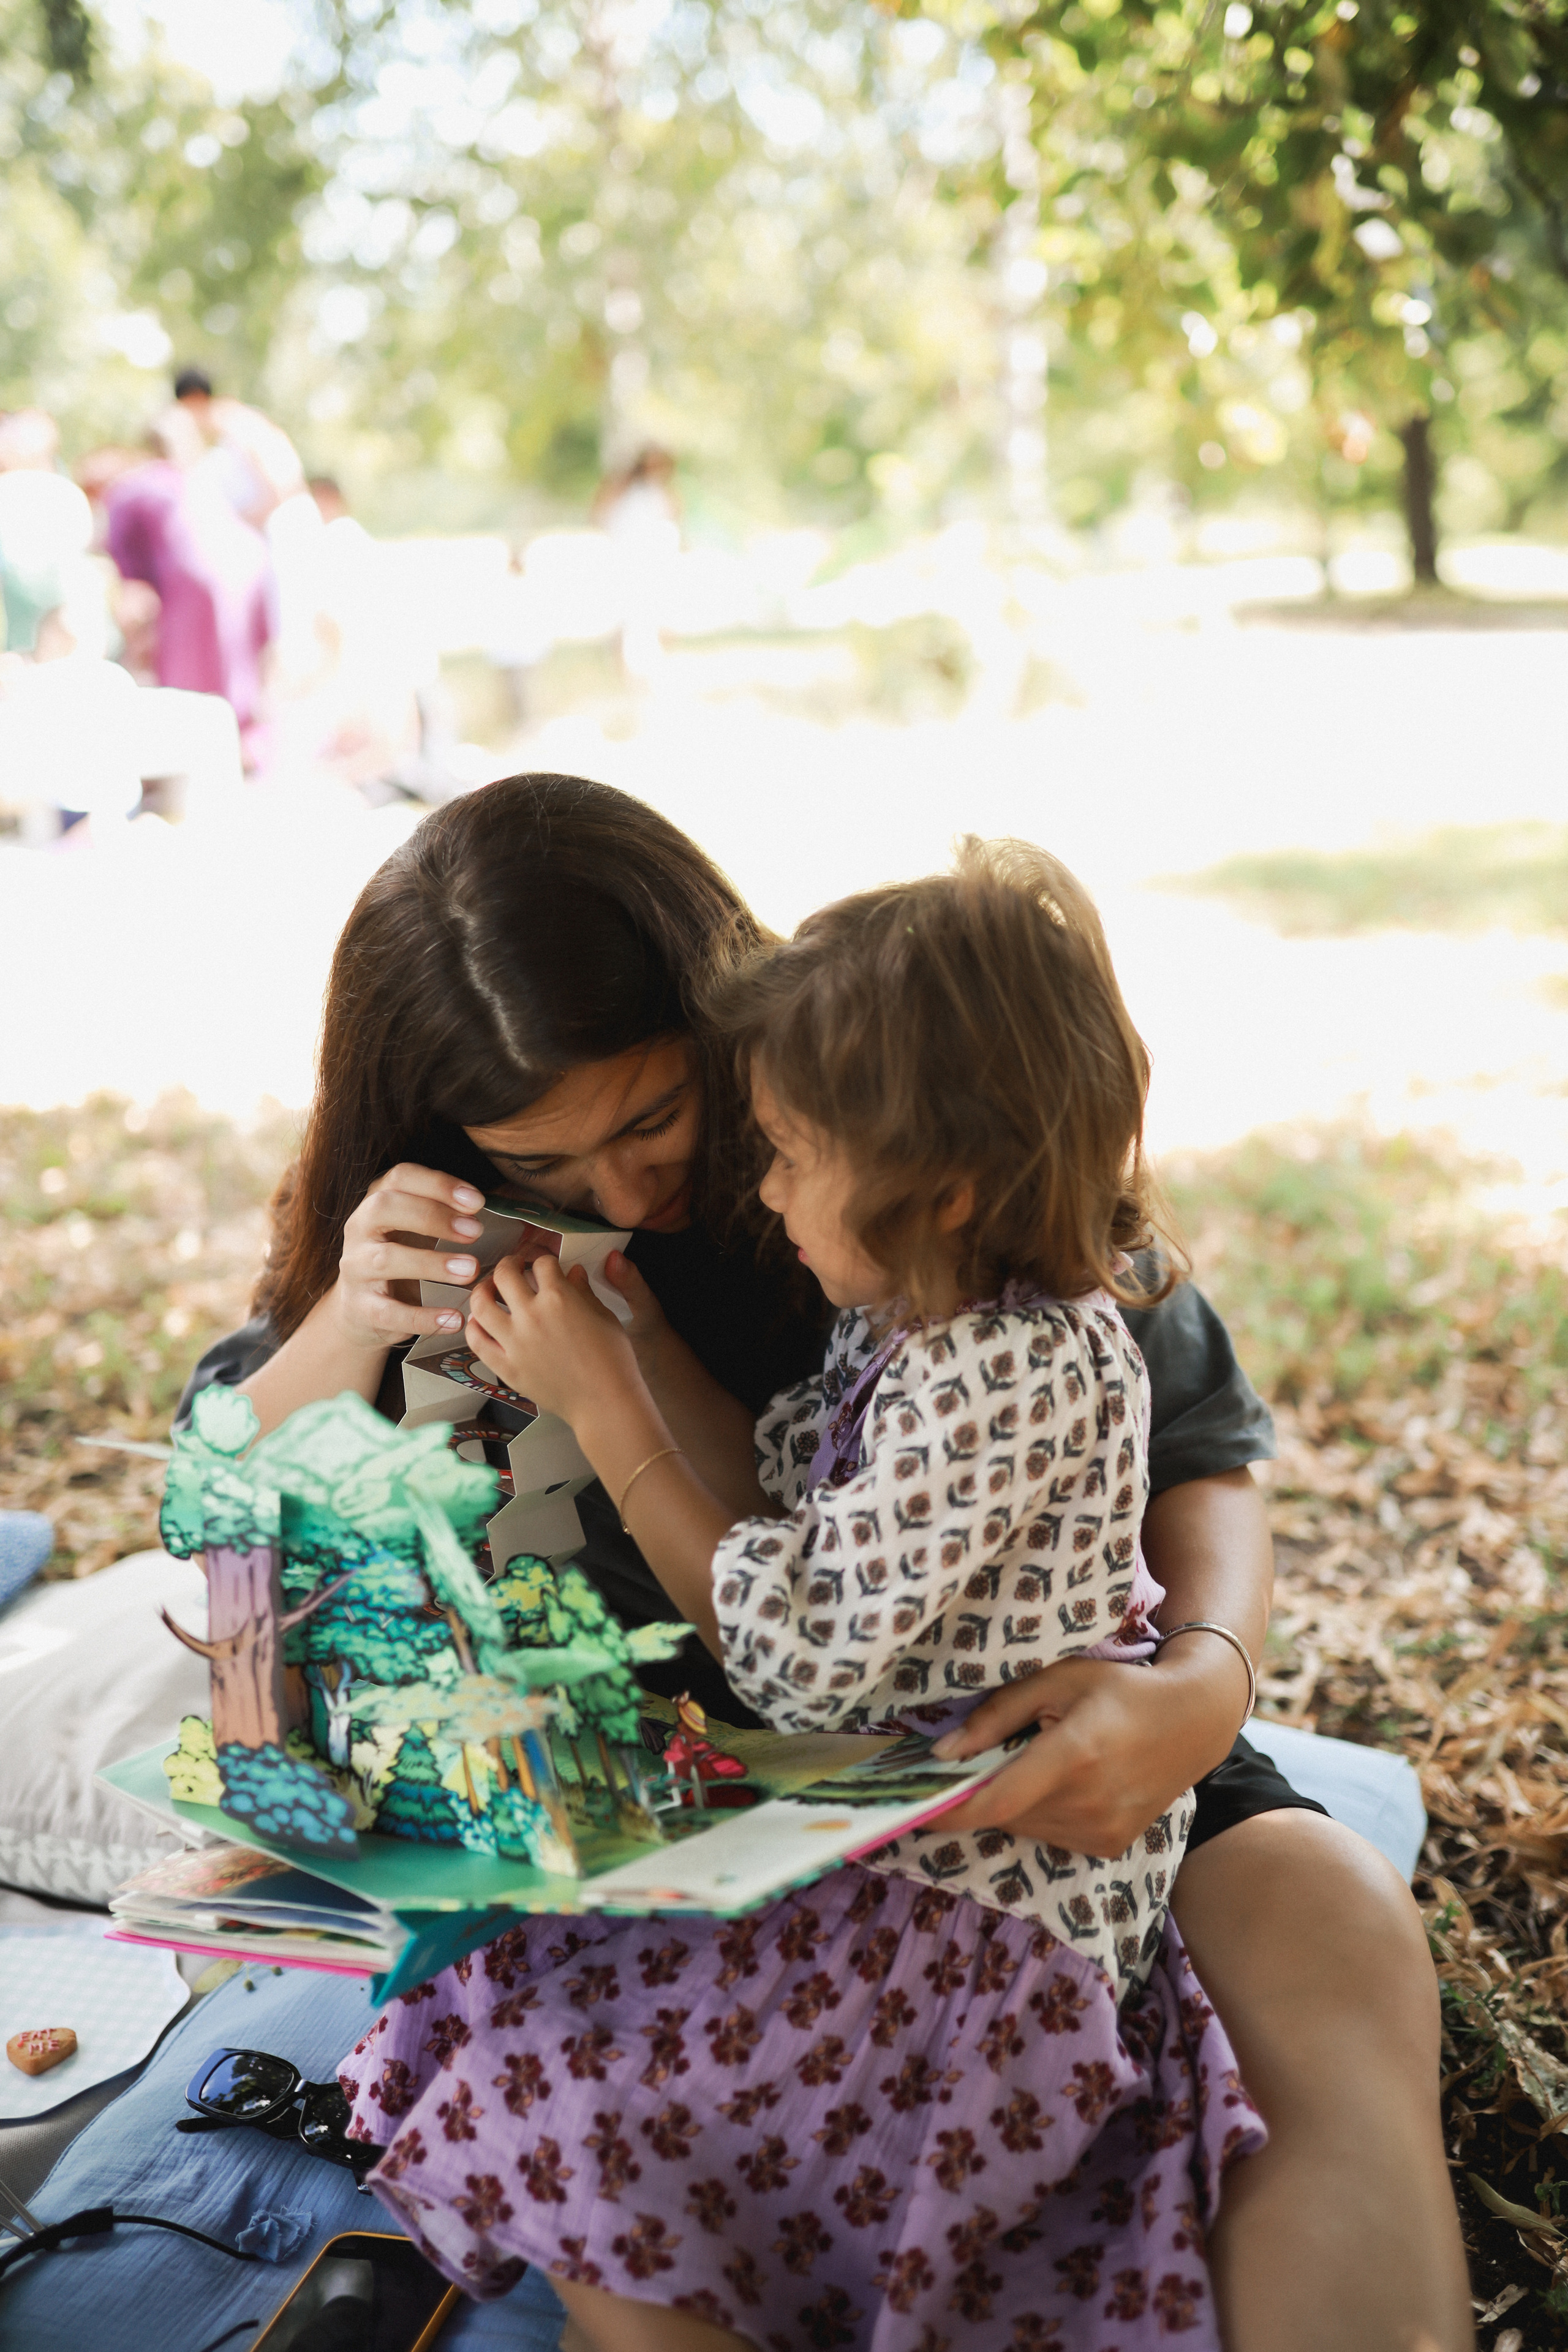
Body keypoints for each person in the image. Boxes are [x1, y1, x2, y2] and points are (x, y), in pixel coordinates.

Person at [179, 775, 1471, 2351]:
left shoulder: (887, 1128)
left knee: (1330, 1924)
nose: (624, 1196)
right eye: (546, 1160)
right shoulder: (426, 1257)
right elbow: (224, 1532)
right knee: (588, 2104)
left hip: (1028, 1765)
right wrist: (342, 1326)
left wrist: (1202, 1686)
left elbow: (1199, 1450)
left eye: (655, 1119)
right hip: (682, 1835)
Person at [341, 840, 1268, 2346]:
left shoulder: (1013, 1362)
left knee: (580, 2082)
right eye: (547, 1167)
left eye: (774, 1151)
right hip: (884, 1841)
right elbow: (778, 1500)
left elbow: (795, 1651)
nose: (755, 1189)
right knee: (528, 1998)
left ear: (940, 1182)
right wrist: (641, 1350)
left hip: (975, 1905)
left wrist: (613, 1414)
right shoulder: (919, 1315)